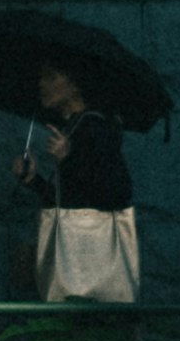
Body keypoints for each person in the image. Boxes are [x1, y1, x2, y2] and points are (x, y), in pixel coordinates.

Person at [17, 62, 141, 308]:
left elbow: (117, 192)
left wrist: (68, 159)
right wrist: (33, 180)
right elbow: (73, 198)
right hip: (79, 267)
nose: (42, 83)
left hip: (88, 269)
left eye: (52, 76)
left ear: (75, 86)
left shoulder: (93, 126)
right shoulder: (75, 126)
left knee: (77, 335)